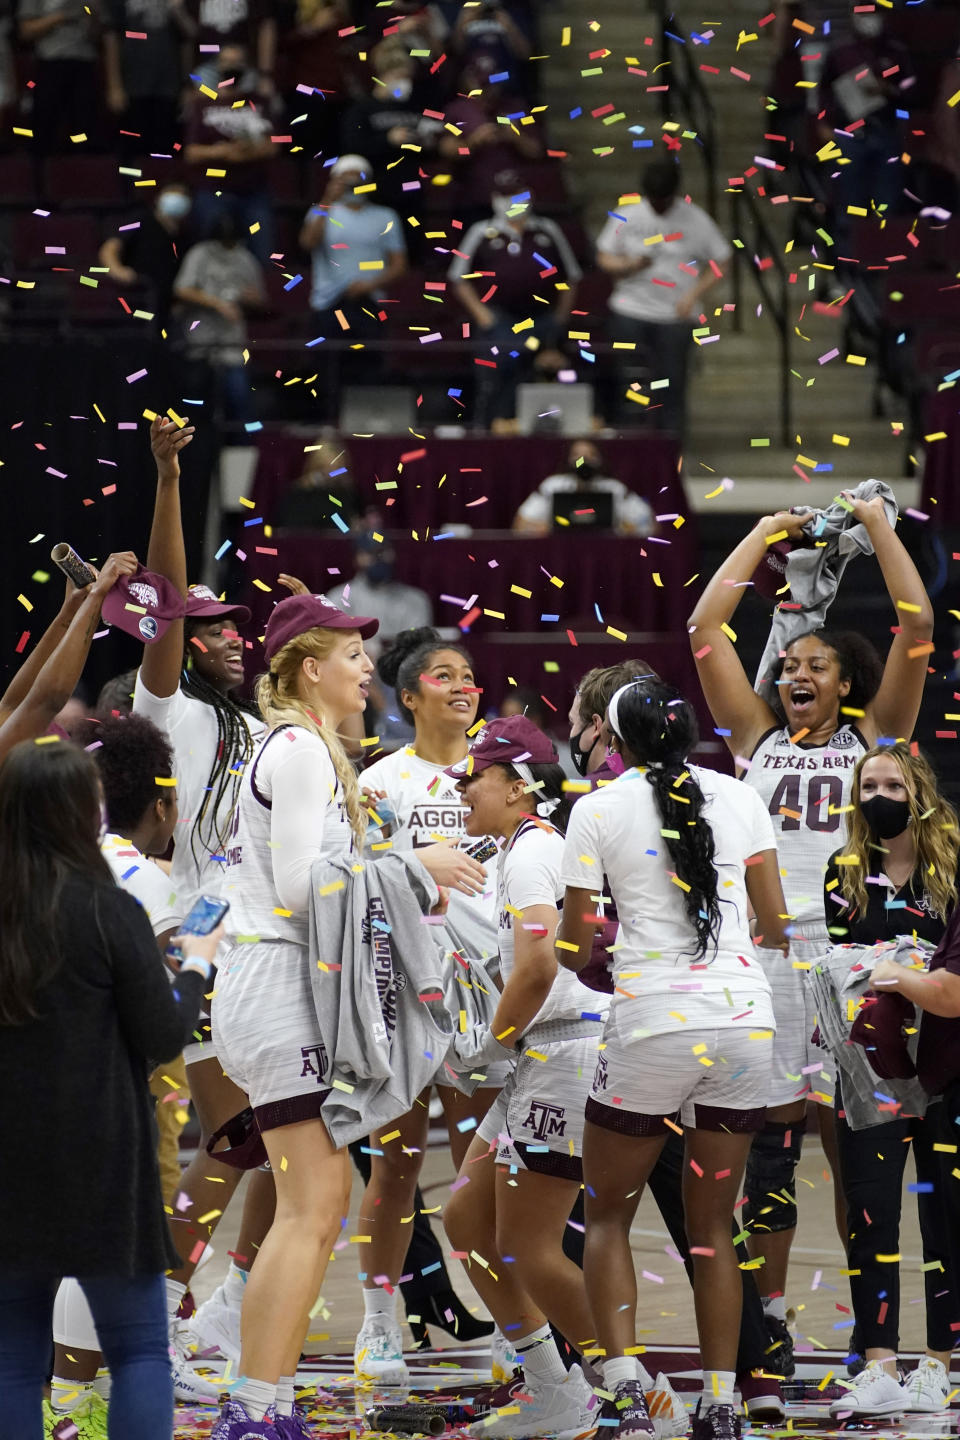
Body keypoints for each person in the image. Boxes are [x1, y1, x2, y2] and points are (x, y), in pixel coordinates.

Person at [209, 593, 485, 1436]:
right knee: (310, 1207)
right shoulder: (295, 747)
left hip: (283, 986)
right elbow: (298, 888)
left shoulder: (307, 748)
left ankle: (264, 1396)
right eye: (354, 656)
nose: (369, 668)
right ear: (308, 668)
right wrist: (411, 861)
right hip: (278, 984)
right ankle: (254, 1405)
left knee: (316, 1206)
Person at [687, 493, 934, 1375]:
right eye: (790, 661)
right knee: (769, 1153)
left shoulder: (879, 738)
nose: (798, 671)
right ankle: (776, 1324)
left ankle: (875, 1342)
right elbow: (704, 632)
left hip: (858, 963)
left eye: (818, 663)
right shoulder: (754, 737)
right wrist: (759, 535)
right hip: (770, 958)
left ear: (846, 681)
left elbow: (916, 630)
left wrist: (880, 528)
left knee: (861, 1156)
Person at [557, 677, 789, 1440]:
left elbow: (569, 943)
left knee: (607, 1219)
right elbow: (775, 923)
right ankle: (721, 1404)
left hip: (652, 1026)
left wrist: (611, 945)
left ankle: (626, 1392)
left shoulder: (594, 808)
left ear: (614, 741)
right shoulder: (741, 795)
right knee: (714, 1230)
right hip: (746, 1022)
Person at [0, 737, 218, 1440]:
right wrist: (197, 969)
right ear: (80, 813)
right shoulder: (108, 909)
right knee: (139, 1352)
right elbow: (162, 1036)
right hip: (102, 1160)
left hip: (9, 1161)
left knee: (9, 1361)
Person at [443, 716, 643, 1440]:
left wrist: (487, 1042)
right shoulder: (524, 851)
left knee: (529, 1244)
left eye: (477, 774)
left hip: (564, 1054)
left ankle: (633, 1390)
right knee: (465, 1220)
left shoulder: (533, 853)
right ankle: (552, 1387)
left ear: (518, 785)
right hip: (543, 1055)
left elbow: (535, 969)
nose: (464, 786)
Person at [132, 418, 273, 1401]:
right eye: (206, 629)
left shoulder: (267, 731)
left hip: (252, 957)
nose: (222, 638)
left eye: (234, 629)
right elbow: (168, 602)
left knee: (262, 1145)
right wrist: (173, 478)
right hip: (183, 952)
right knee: (230, 1143)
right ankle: (167, 1319)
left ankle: (195, 1308)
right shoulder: (167, 712)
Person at [354, 628, 503, 1384]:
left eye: (469, 674)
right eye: (443, 675)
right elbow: (356, 882)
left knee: (487, 1175)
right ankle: (380, 1323)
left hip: (486, 1002)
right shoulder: (382, 783)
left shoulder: (504, 777)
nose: (461, 684)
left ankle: (517, 1323)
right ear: (409, 696)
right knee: (397, 1166)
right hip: (406, 994)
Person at [44, 711, 187, 1434]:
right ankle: (79, 1395)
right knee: (123, 1264)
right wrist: (205, 963)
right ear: (161, 803)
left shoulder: (49, 863)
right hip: (122, 1081)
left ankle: (66, 1398)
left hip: (41, 1084)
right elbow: (165, 1009)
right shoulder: (143, 879)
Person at [822, 742, 959, 1419]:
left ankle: (940, 1362)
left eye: (894, 785)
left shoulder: (952, 869)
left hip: (946, 1070)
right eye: (869, 784)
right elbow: (839, 966)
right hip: (869, 1069)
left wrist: (894, 968)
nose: (881, 795)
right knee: (870, 1213)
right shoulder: (842, 871)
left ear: (920, 793)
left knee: (947, 1218)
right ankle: (877, 1360)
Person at [596, 160, 731, 435]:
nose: (658, 206)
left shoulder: (695, 218)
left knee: (672, 386)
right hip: (630, 310)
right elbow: (604, 256)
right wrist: (628, 266)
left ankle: (671, 452)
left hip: (675, 316)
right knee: (631, 384)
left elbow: (722, 261)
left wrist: (694, 295)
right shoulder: (628, 214)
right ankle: (631, 444)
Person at [449, 169, 581, 429]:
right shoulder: (481, 231)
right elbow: (457, 277)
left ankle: (545, 431)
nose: (511, 201)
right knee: (496, 377)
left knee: (546, 373)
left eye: (516, 195)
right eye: (505, 195)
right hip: (499, 320)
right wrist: (484, 317)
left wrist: (559, 319)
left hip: (541, 320)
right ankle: (487, 430)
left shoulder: (547, 230)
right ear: (495, 198)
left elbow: (571, 276)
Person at [299, 153, 408, 415]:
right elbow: (307, 243)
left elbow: (399, 265)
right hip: (328, 304)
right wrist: (326, 201)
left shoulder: (386, 216)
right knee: (326, 369)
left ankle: (366, 424)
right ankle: (326, 425)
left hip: (369, 304)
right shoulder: (320, 212)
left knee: (370, 368)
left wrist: (371, 284)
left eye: (357, 181)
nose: (352, 187)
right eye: (344, 181)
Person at [183, 44, 278, 263]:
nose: (232, 67)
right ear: (217, 67)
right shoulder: (202, 104)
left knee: (264, 255)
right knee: (209, 253)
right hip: (212, 192)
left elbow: (273, 145)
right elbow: (191, 153)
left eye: (238, 62)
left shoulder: (259, 102)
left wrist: (244, 153)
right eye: (227, 62)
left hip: (254, 192)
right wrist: (224, 152)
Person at [173, 211, 266, 429]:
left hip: (232, 345)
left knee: (241, 402)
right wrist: (217, 304)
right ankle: (193, 454)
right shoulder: (200, 254)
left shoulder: (244, 258)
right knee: (195, 407)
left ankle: (247, 452)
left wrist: (247, 297)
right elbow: (182, 289)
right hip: (199, 344)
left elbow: (260, 299)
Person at [338, 38, 443, 214]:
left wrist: (428, 142)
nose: (405, 83)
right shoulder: (362, 109)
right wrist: (387, 139)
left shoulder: (413, 108)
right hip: (377, 192)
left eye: (408, 77)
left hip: (411, 191)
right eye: (399, 77)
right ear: (383, 76)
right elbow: (352, 146)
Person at [512, 438, 654, 537]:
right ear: (568, 460)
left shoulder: (615, 489)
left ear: (600, 460)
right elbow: (520, 523)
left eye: (590, 455)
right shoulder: (552, 486)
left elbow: (650, 523)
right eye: (577, 455)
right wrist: (544, 529)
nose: (583, 460)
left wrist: (629, 529)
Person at [99, 182, 193, 330]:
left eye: (182, 196)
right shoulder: (139, 220)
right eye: (172, 194)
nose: (177, 199)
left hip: (164, 306)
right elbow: (111, 246)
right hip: (134, 299)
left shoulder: (186, 236)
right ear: (159, 199)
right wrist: (117, 270)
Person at [102, 0, 190, 154]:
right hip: (132, 84)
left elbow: (188, 39)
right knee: (133, 147)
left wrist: (187, 85)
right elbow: (111, 39)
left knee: (165, 148)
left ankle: (164, 178)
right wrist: (114, 86)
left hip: (169, 85)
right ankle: (132, 179)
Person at [17, 0, 106, 152]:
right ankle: (41, 171)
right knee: (44, 128)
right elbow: (25, 31)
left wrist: (93, 15)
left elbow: (101, 33)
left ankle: (82, 167)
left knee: (83, 131)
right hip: (49, 63)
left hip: (84, 64)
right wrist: (60, 17)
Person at [329, 533, 432, 652]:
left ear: (393, 554)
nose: (377, 558)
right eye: (370, 553)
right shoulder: (338, 598)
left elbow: (417, 648)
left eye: (382, 551)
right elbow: (334, 646)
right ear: (357, 558)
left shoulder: (415, 600)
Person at [273, 437, 363, 533]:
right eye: (324, 468)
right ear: (314, 468)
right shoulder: (298, 494)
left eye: (336, 469)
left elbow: (345, 526)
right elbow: (291, 525)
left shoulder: (347, 493)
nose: (330, 474)